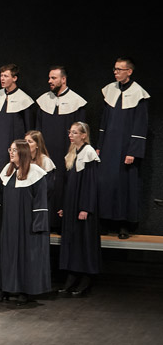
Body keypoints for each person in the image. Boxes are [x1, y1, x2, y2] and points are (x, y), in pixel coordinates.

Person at [97, 57, 150, 239]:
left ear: (129, 71)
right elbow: (104, 122)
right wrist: (99, 146)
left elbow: (140, 126)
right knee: (106, 183)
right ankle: (104, 221)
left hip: (126, 148)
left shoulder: (139, 94)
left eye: (119, 69)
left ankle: (123, 225)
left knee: (124, 185)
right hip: (109, 146)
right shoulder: (110, 90)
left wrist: (133, 151)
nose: (116, 72)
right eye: (115, 69)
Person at [0, 139, 50, 304]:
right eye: (10, 150)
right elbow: (0, 199)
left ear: (23, 153)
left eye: (14, 150)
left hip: (27, 224)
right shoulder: (8, 171)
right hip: (9, 223)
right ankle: (5, 288)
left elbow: (40, 202)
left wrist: (38, 225)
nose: (11, 153)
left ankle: (25, 291)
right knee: (8, 255)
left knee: (25, 256)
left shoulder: (36, 173)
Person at [58, 122, 101, 296]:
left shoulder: (89, 152)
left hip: (82, 206)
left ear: (84, 135)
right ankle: (72, 275)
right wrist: (64, 207)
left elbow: (91, 184)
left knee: (83, 242)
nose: (71, 135)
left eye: (75, 132)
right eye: (70, 132)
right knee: (72, 241)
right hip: (71, 204)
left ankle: (86, 278)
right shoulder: (72, 153)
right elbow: (68, 184)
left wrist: (85, 208)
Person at [34, 66, 88, 182]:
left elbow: (81, 134)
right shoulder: (44, 101)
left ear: (63, 79)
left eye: (53, 78)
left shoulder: (76, 102)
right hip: (46, 151)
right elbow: (38, 130)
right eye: (49, 78)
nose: (49, 81)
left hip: (67, 151)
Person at [0, 64, 35, 171]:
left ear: (14, 78)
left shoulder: (24, 99)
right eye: (1, 75)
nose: (2, 79)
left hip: (14, 141)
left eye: (6, 76)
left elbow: (28, 128)